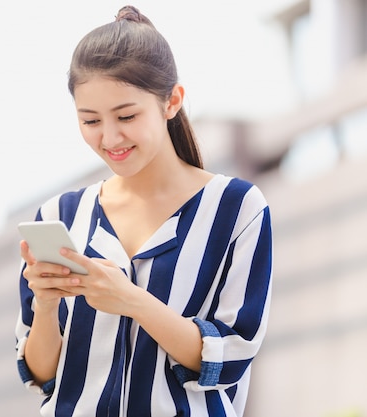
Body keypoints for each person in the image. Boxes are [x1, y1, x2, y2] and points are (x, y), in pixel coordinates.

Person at [15, 5, 273, 417]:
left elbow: (230, 358)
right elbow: (42, 375)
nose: (110, 137)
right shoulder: (59, 215)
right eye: (90, 120)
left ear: (172, 101)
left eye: (127, 116)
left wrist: (132, 300)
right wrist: (45, 306)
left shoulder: (236, 208)